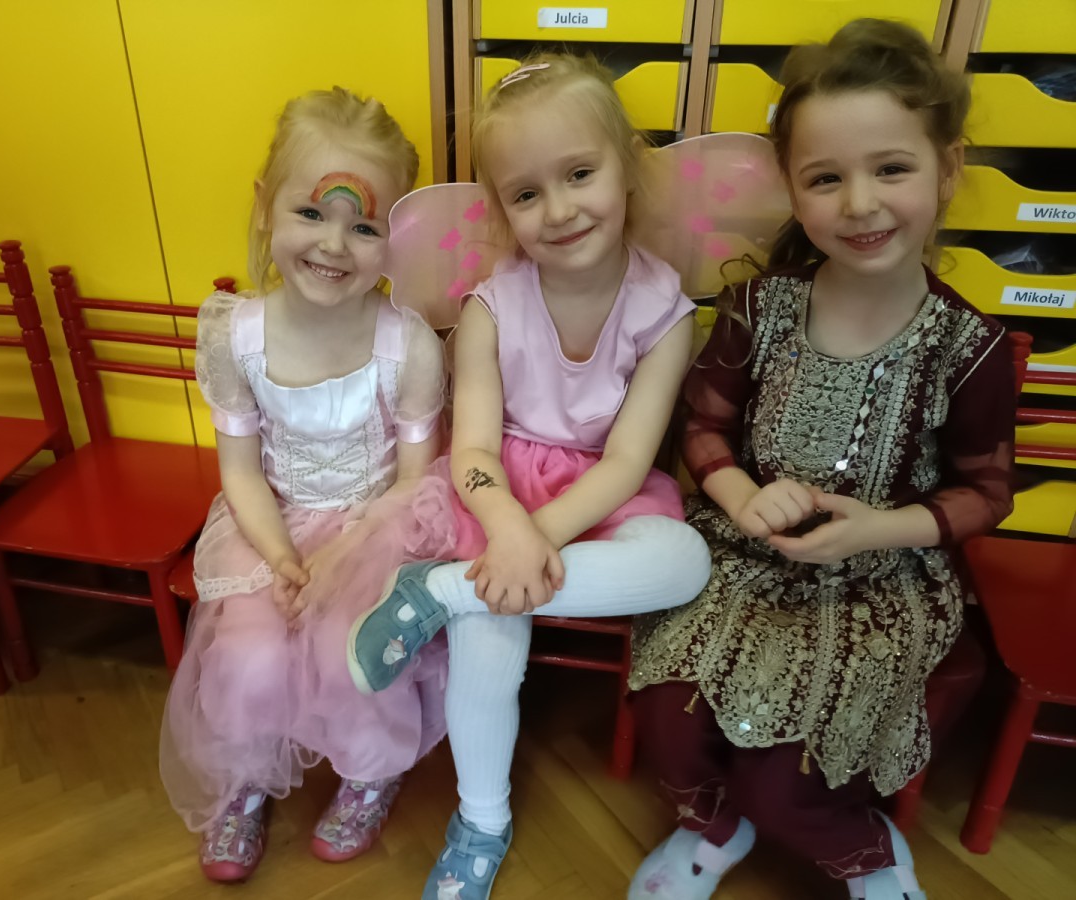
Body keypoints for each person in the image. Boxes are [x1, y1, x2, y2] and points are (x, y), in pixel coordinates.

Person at [627, 19, 1017, 900]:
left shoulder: (969, 348)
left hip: (881, 582)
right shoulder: (757, 306)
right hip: (741, 560)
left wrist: (878, 528)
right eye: (826, 178)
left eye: (892, 168)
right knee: (670, 724)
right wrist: (737, 493)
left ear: (948, 168)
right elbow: (702, 427)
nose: (860, 204)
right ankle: (711, 830)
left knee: (786, 784)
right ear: (794, 191)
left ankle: (867, 849)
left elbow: (988, 492)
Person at [346, 54, 713, 900]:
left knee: (685, 562)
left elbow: (627, 463)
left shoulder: (666, 312)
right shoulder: (490, 307)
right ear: (501, 208)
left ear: (627, 166)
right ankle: (482, 820)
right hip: (499, 491)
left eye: (580, 174)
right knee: (492, 636)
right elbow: (472, 452)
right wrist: (509, 529)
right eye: (526, 193)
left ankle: (440, 592)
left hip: (604, 496)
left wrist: (530, 545)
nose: (559, 209)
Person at [158, 87, 455, 883]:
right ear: (266, 207)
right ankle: (245, 779)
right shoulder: (235, 336)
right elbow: (240, 471)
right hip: (269, 527)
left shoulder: (408, 348)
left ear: (396, 238)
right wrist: (285, 560)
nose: (335, 244)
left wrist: (341, 560)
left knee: (346, 652)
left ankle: (370, 773)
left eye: (364, 226)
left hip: (374, 530)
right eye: (312, 212)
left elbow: (413, 486)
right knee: (250, 655)